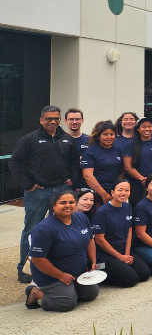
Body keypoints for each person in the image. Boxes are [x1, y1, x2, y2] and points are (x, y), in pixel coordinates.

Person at [10, 105, 80, 284]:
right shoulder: (30, 139)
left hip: (62, 190)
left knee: (61, 229)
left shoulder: (66, 138)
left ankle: (53, 266)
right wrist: (28, 185)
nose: (53, 121)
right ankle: (25, 269)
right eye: (49, 118)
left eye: (56, 118)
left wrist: (72, 179)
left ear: (60, 120)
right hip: (39, 193)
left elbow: (74, 162)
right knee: (32, 230)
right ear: (41, 120)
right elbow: (15, 163)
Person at [25, 189, 99, 311]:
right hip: (52, 276)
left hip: (78, 272)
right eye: (63, 203)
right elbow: (37, 259)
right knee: (66, 303)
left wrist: (93, 262)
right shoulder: (44, 228)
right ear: (54, 206)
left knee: (91, 294)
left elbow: (90, 240)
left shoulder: (81, 218)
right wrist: (60, 275)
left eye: (71, 202)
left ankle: (69, 290)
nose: (68, 206)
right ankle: (35, 292)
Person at [91, 180, 151, 287]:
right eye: (120, 190)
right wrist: (120, 257)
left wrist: (126, 254)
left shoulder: (127, 207)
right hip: (106, 255)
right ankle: (101, 276)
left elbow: (129, 230)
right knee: (131, 279)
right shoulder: (102, 212)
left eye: (127, 190)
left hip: (123, 250)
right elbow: (99, 240)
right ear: (112, 192)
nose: (123, 193)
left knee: (144, 274)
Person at [123, 118, 152, 206]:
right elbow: (127, 166)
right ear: (138, 129)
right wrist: (142, 179)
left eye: (150, 126)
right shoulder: (130, 144)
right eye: (144, 127)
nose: (147, 129)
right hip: (137, 184)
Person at [81, 121, 124, 207]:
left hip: (114, 192)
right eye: (105, 134)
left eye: (112, 134)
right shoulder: (91, 152)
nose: (109, 137)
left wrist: (117, 190)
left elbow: (122, 171)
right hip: (97, 193)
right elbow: (87, 176)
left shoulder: (117, 150)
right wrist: (104, 195)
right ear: (98, 136)